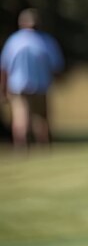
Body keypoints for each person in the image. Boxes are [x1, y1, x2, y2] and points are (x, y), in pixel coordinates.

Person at [0, 8, 65, 148]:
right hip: (41, 84)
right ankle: (43, 147)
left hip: (18, 86)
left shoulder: (13, 41)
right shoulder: (46, 41)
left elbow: (4, 68)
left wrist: (3, 89)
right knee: (41, 118)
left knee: (20, 117)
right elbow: (56, 66)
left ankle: (21, 147)